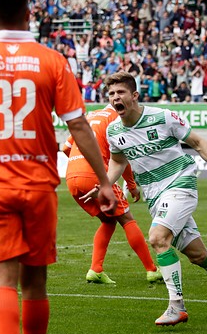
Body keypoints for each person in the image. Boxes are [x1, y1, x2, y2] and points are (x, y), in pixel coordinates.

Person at [0, 0, 117, 334]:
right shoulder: (52, 60)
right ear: (29, 12)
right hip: (38, 185)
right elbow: (78, 125)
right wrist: (104, 180)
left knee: (2, 281)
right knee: (35, 282)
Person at [82, 71, 207, 327]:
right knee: (198, 255)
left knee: (158, 238)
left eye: (120, 92)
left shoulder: (162, 117)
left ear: (134, 96)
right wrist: (104, 184)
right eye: (111, 94)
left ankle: (176, 306)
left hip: (181, 183)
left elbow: (198, 142)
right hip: (155, 195)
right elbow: (117, 162)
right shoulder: (113, 131)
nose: (115, 98)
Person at [62, 105, 162, 285]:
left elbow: (65, 148)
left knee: (108, 221)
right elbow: (121, 158)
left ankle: (96, 270)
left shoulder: (90, 116)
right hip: (94, 175)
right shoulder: (116, 121)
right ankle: (152, 270)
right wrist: (132, 186)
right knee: (127, 219)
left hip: (71, 176)